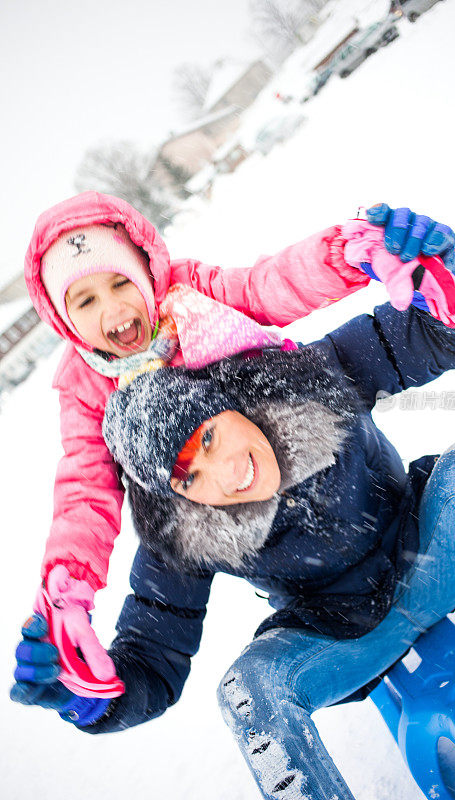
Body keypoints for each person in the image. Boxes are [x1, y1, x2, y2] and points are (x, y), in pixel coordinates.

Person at [13, 206, 455, 800]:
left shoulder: (308, 377)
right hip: (342, 633)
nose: (223, 473)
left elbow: (434, 335)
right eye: (188, 477)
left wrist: (453, 289)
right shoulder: (179, 533)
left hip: (432, 549)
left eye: (208, 437)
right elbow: (152, 652)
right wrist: (90, 695)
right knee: (248, 691)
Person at [21, 189, 386, 685]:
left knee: (359, 481)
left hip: (318, 456)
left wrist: (348, 252)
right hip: (251, 524)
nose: (114, 308)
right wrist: (70, 583)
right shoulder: (86, 386)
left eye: (119, 282)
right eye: (85, 300)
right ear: (65, 320)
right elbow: (85, 487)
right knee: (248, 549)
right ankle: (316, 597)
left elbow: (266, 288)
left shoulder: (190, 295)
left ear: (144, 273)